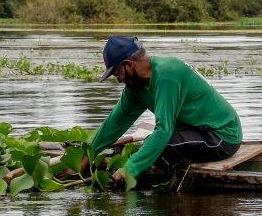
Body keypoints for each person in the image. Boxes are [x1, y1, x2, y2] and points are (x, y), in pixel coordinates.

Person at [88, 35, 242, 188]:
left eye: (117, 73)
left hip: (221, 136)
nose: (119, 80)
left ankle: (166, 195)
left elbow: (163, 130)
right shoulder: (135, 87)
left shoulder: (167, 73)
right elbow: (114, 123)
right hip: (196, 131)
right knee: (152, 145)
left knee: (163, 147)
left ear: (129, 64)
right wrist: (88, 155)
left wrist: (130, 169)